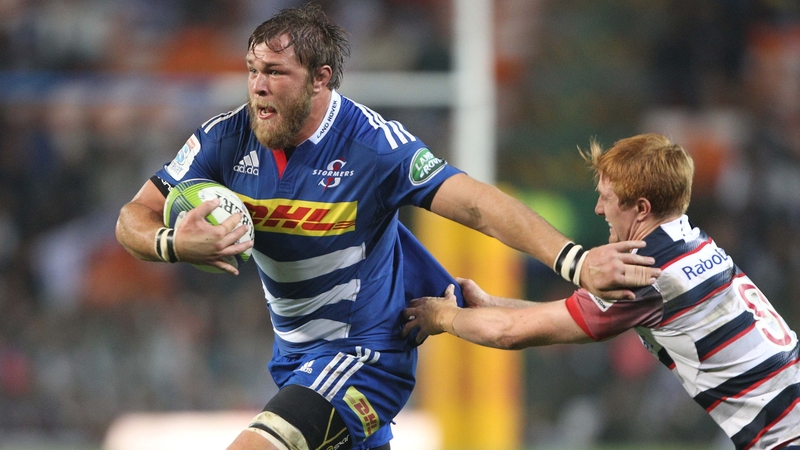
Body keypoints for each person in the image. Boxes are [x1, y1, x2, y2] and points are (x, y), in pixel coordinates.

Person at [115, 4, 660, 450]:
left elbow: (477, 204)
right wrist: (171, 242)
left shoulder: (373, 146)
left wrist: (576, 261)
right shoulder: (224, 139)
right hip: (295, 359)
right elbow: (131, 218)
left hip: (366, 357)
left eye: (276, 73)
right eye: (253, 70)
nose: (257, 87)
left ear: (320, 79)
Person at [403, 133, 800, 450]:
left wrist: (441, 317)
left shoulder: (646, 273)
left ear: (641, 208)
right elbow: (561, 313)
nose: (598, 209)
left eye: (606, 198)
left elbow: (510, 333)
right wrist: (492, 303)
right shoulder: (692, 243)